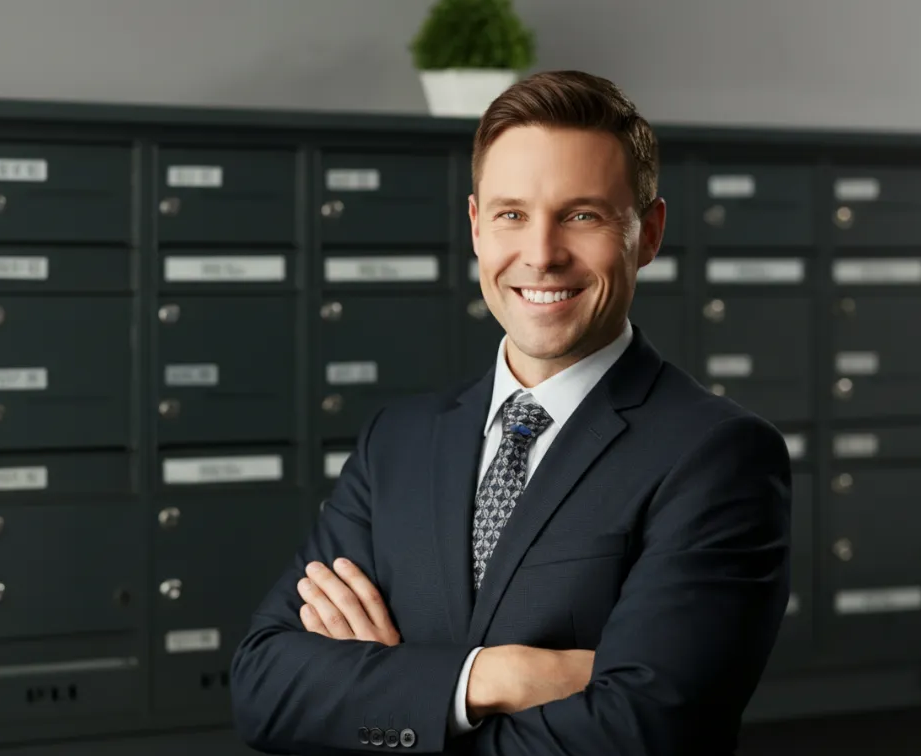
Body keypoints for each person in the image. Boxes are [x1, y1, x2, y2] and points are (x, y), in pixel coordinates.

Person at [229, 69, 792, 755]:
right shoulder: (399, 442)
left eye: (581, 215)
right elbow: (263, 686)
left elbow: (641, 733)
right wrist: (495, 676)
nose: (541, 254)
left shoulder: (718, 456)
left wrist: (387, 699)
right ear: (475, 227)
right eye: (512, 215)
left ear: (647, 234)